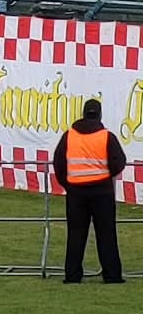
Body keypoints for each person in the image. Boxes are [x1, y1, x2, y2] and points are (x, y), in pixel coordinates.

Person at [52, 98, 126, 285]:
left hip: (76, 192)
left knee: (76, 234)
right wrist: (107, 175)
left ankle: (72, 275)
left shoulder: (69, 136)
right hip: (102, 191)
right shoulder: (106, 136)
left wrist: (68, 184)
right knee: (107, 234)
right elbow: (119, 162)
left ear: (83, 113)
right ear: (100, 114)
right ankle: (112, 276)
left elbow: (58, 163)